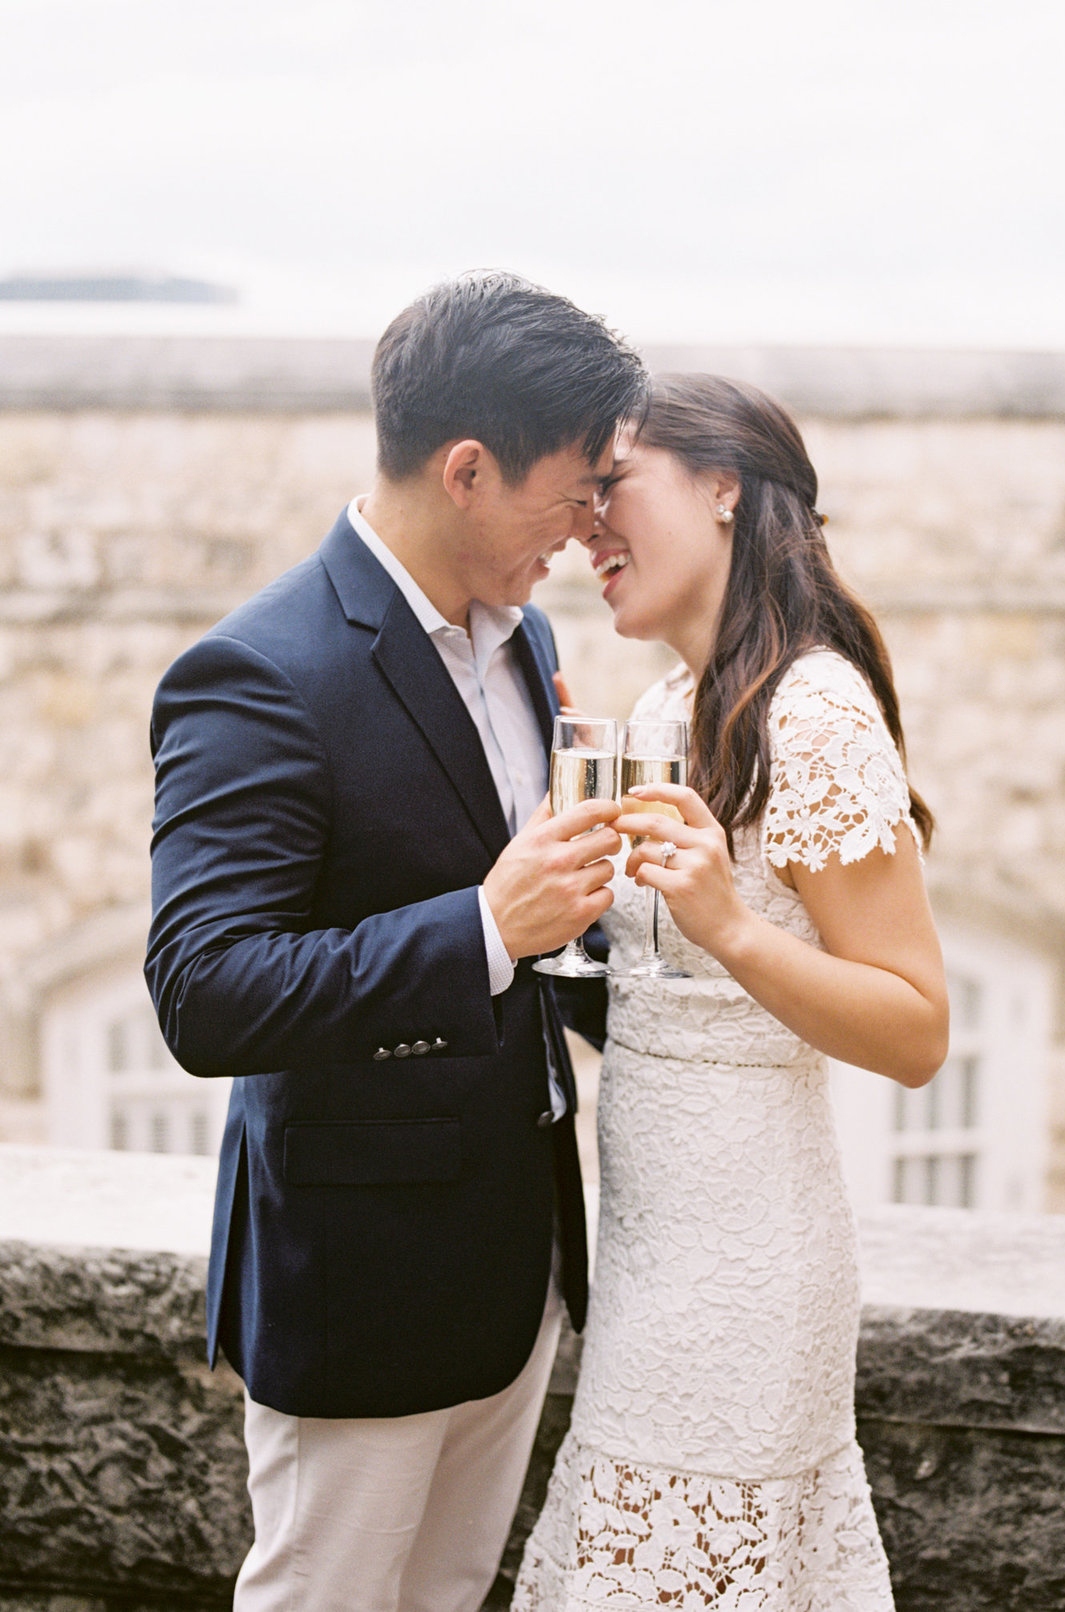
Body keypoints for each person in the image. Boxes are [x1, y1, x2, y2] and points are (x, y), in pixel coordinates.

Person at [144, 271, 646, 1612]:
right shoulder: (262, 671)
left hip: (518, 1264)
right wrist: (486, 924)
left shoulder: (531, 642)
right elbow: (204, 991)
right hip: (356, 1281)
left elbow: (539, 940)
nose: (593, 526)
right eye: (579, 488)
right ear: (470, 468)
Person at [514, 374, 949, 1609]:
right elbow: (652, 998)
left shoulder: (814, 712)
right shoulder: (664, 711)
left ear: (723, 488)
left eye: (615, 488)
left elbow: (918, 1028)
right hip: (646, 1258)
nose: (588, 527)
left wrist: (726, 927)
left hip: (749, 1278)